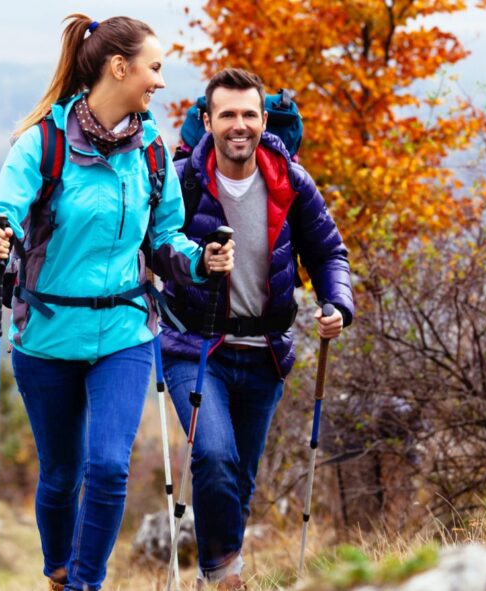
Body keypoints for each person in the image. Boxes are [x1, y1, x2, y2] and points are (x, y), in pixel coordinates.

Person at [0, 14, 230, 591]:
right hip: (46, 333)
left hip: (125, 332)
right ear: (120, 67)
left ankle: (87, 584)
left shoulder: (153, 152)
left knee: (110, 467)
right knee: (62, 475)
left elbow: (165, 239)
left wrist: (198, 260)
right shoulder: (43, 143)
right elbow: (0, 216)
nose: (160, 82)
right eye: (154, 67)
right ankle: (58, 573)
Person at [158, 68, 354, 590]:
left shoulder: (291, 180)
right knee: (214, 455)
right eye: (227, 115)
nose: (238, 125)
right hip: (195, 345)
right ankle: (224, 576)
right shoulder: (182, 181)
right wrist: (195, 262)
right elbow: (154, 250)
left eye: (248, 114)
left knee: (240, 479)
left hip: (265, 349)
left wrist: (339, 302)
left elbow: (328, 250)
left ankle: (216, 573)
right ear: (208, 120)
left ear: (264, 120)